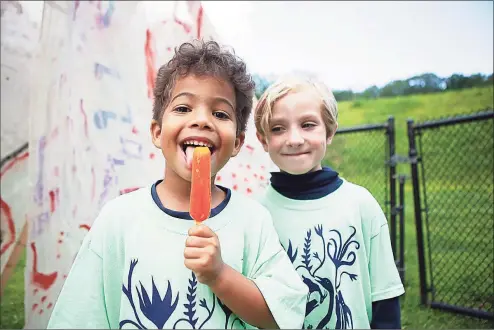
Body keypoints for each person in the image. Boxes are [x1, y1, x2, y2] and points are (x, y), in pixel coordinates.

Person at [47, 40, 308, 329]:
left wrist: (220, 275)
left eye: (220, 114)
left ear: (236, 143)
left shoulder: (253, 221)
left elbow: (282, 317)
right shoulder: (117, 220)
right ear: (157, 132)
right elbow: (80, 317)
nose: (201, 120)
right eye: (183, 108)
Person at [254, 75, 405, 329]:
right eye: (278, 128)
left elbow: (385, 300)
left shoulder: (360, 205)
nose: (294, 139)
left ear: (330, 131)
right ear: (263, 139)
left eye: (308, 124)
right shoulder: (255, 213)